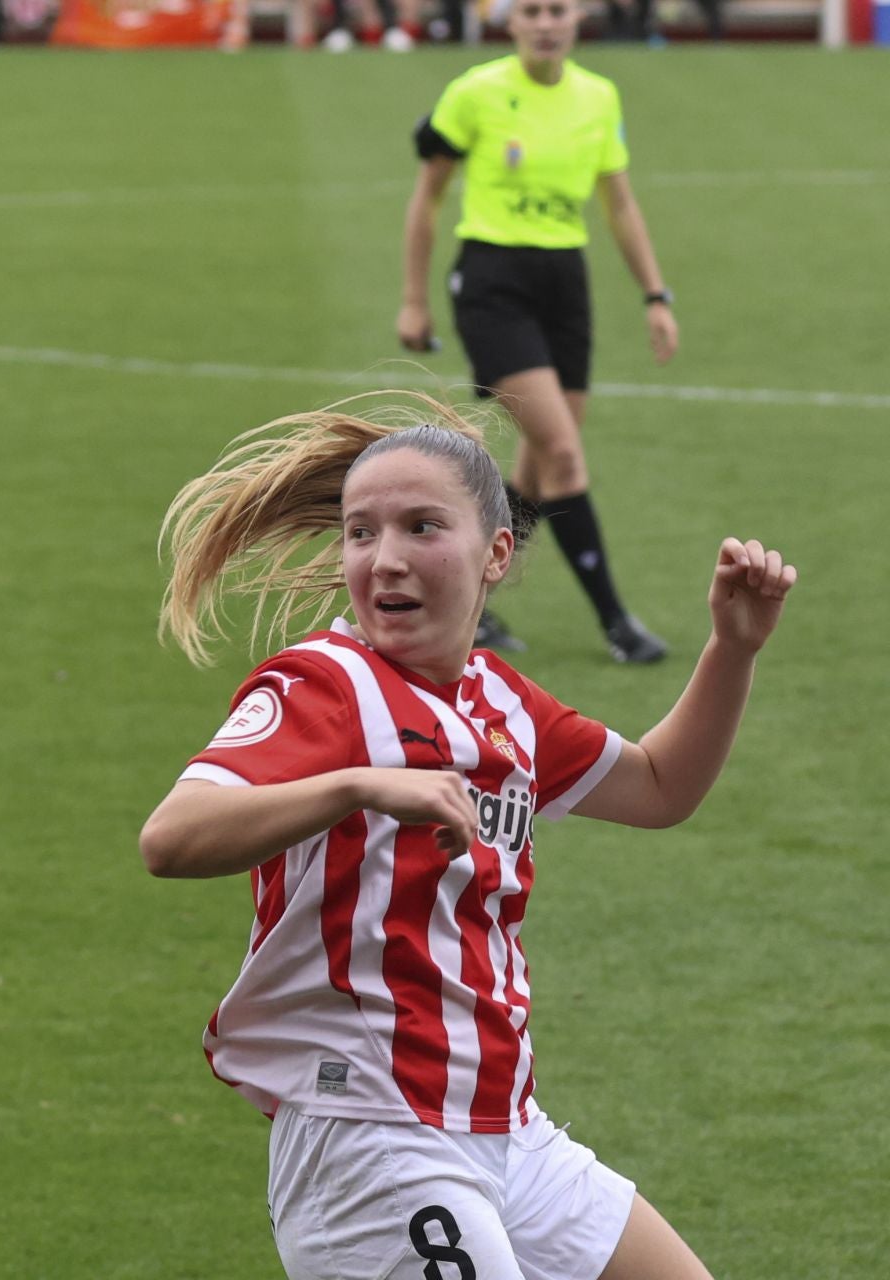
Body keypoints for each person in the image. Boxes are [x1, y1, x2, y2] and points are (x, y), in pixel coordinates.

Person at [141, 395, 795, 1280]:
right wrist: (356, 785)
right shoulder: (326, 685)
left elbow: (659, 786)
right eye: (361, 533)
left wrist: (733, 649)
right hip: (372, 1139)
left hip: (508, 1131)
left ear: (495, 554)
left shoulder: (501, 703)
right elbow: (171, 838)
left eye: (421, 527)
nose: (385, 560)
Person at [397, 0, 679, 662]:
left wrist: (655, 295)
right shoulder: (475, 93)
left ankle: (470, 606)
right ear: (510, 21)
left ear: (578, 17)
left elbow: (620, 202)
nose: (546, 22)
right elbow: (427, 198)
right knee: (563, 454)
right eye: (531, 10)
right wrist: (414, 300)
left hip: (564, 285)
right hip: (493, 282)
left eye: (557, 9)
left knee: (540, 458)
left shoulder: (599, 97)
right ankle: (617, 623)